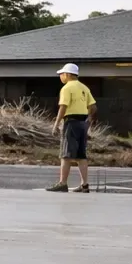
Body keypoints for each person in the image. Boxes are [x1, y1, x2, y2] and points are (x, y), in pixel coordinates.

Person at [46, 63, 95, 193]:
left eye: (61, 74)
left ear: (67, 74)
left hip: (71, 122)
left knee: (66, 155)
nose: (60, 76)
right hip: (82, 123)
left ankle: (62, 183)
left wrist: (56, 124)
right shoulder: (84, 88)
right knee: (81, 155)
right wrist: (88, 120)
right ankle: (85, 185)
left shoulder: (67, 88)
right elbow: (93, 106)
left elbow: (63, 107)